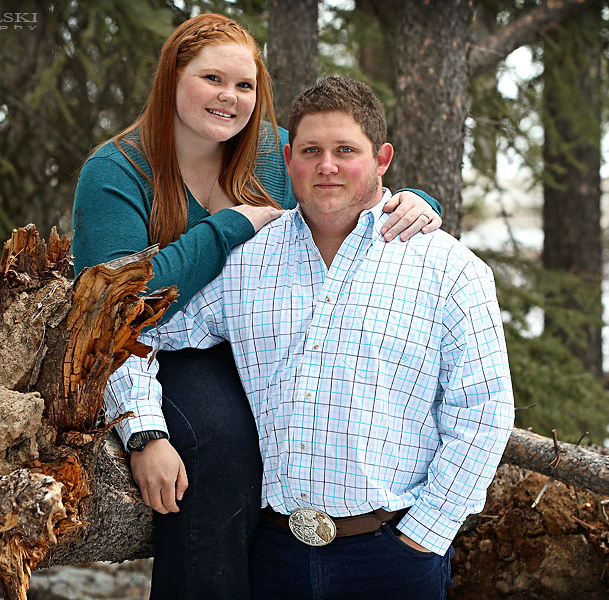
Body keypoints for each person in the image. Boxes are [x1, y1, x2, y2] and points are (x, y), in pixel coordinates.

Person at [73, 14, 444, 599]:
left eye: (244, 86)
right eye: (212, 79)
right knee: (223, 445)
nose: (230, 98)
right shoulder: (116, 171)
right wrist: (227, 229)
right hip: (154, 348)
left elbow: (350, 179)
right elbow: (114, 302)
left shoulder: (272, 150)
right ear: (172, 78)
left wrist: (417, 202)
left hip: (261, 338)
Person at [105, 75, 514, 599]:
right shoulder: (247, 263)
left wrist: (425, 533)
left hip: (392, 556)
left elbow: (483, 409)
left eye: (346, 150)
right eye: (311, 150)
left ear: (382, 158)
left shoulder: (447, 269)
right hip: (275, 556)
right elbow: (136, 333)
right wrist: (144, 431)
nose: (327, 166)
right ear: (288, 157)